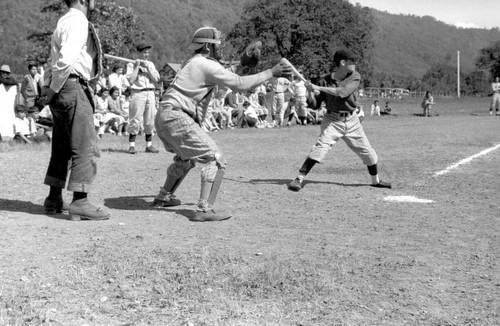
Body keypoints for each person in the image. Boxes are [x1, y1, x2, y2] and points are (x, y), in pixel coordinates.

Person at [153, 26, 291, 221]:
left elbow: (223, 74)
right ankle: (204, 210)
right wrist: (271, 72)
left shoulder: (193, 61)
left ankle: (163, 197)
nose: (220, 48)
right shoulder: (205, 64)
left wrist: (242, 64)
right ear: (208, 47)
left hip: (165, 115)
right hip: (177, 116)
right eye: (217, 44)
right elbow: (239, 84)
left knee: (186, 159)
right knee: (216, 158)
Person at [41, 0, 110, 221]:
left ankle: (53, 197)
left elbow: (55, 61)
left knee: (61, 146)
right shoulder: (79, 22)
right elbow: (67, 60)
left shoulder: (64, 20)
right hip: (72, 86)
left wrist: (50, 89)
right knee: (84, 146)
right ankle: (80, 202)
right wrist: (52, 89)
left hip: (62, 87)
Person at [287, 49, 391, 192]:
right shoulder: (324, 80)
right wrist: (311, 91)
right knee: (321, 147)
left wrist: (318, 87)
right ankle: (299, 178)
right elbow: (315, 105)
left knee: (368, 152)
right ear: (342, 62)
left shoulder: (354, 76)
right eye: (352, 61)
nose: (355, 63)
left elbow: (343, 92)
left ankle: (376, 181)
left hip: (352, 119)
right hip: (332, 119)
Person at [126, 42, 160, 154]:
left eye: (147, 53)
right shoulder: (131, 64)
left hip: (150, 93)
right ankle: (132, 146)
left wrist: (148, 69)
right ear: (138, 53)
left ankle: (149, 145)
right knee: (135, 119)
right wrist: (137, 67)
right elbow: (130, 80)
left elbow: (156, 79)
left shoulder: (151, 64)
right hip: (138, 93)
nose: (146, 55)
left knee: (150, 120)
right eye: (144, 52)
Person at [0, 64, 19, 140]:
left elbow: (12, 82)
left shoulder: (11, 80)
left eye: (7, 73)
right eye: (3, 72)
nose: (5, 74)